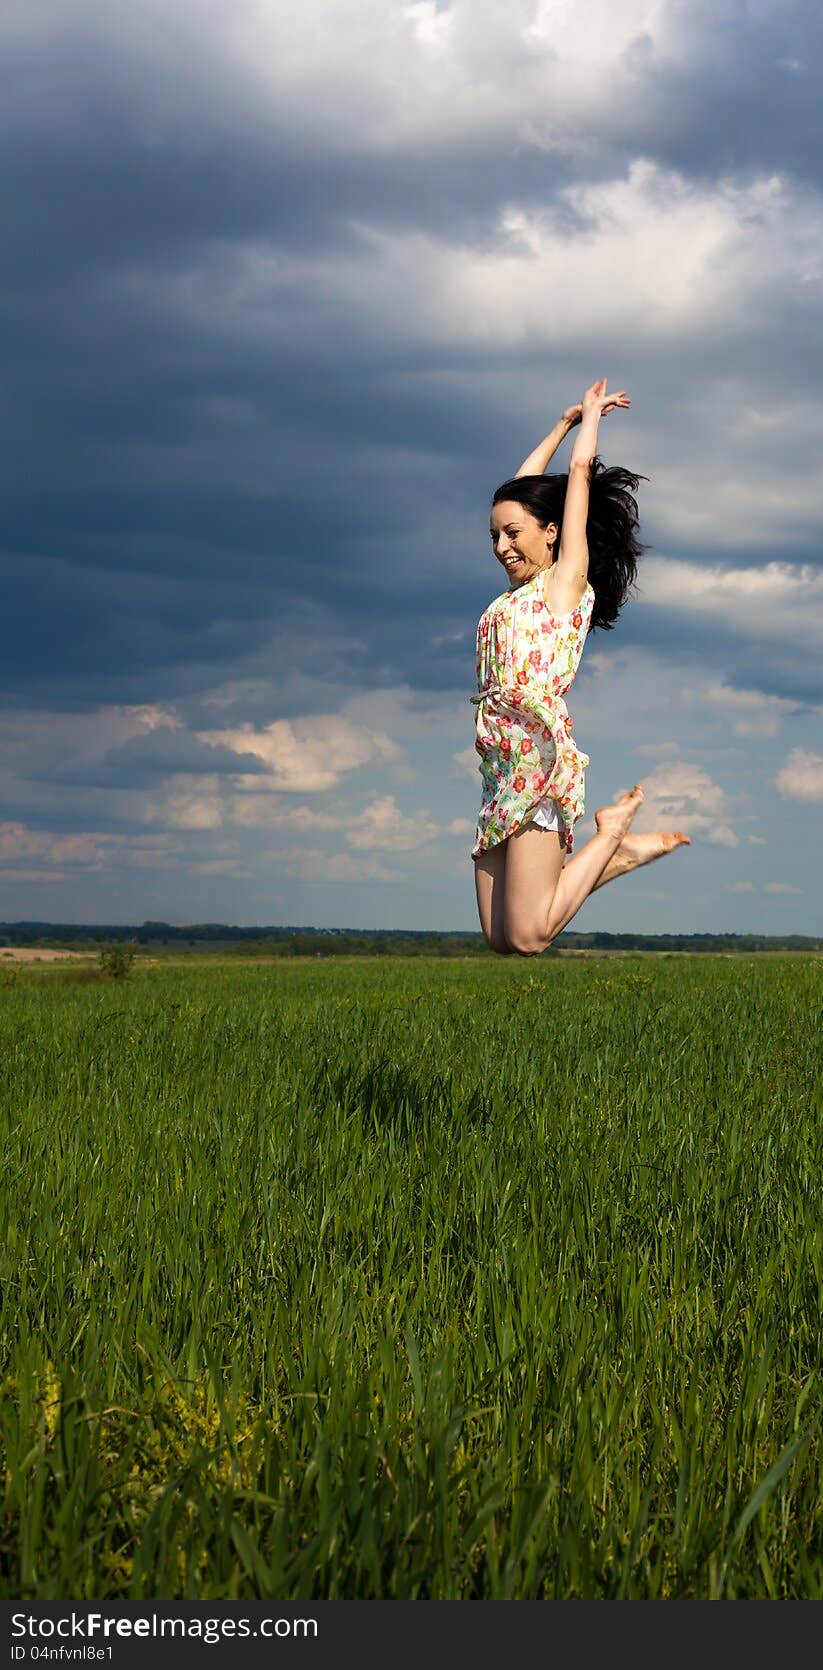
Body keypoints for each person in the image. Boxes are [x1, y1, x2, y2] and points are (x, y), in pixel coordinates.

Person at [471, 377, 690, 956]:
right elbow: (523, 489)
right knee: (500, 938)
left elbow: (579, 477)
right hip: (500, 761)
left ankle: (612, 833)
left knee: (531, 936)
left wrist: (589, 421)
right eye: (493, 535)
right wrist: (558, 423)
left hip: (539, 757)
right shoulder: (513, 595)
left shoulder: (563, 585)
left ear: (552, 534)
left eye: (512, 533)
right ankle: (613, 857)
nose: (501, 545)